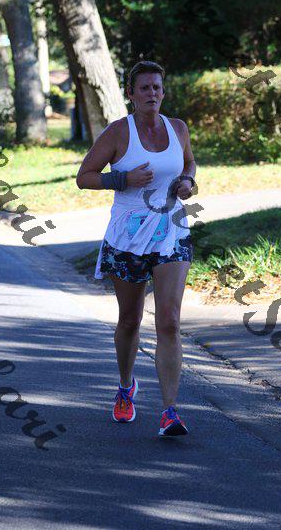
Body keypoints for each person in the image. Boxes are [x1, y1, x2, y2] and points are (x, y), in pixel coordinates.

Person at [76, 60, 196, 437]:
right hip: (127, 236)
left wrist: (188, 182)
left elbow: (189, 163)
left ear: (163, 91)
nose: (152, 93)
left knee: (169, 320)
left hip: (171, 231)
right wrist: (122, 178)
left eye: (157, 87)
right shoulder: (118, 132)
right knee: (130, 320)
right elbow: (84, 177)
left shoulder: (178, 129)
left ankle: (170, 411)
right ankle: (126, 386)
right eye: (144, 87)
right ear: (131, 94)